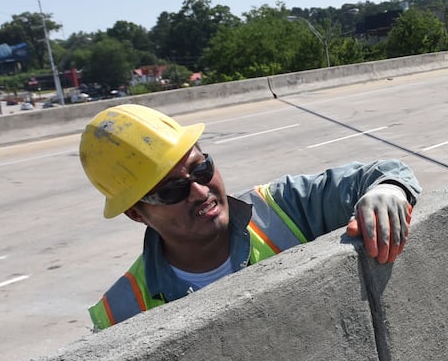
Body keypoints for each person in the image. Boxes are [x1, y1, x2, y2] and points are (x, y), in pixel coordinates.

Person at [79, 103, 420, 329]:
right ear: (136, 213)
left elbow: (381, 172)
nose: (200, 191)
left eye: (202, 169)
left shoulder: (281, 210)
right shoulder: (120, 314)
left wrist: (387, 189)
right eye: (171, 191)